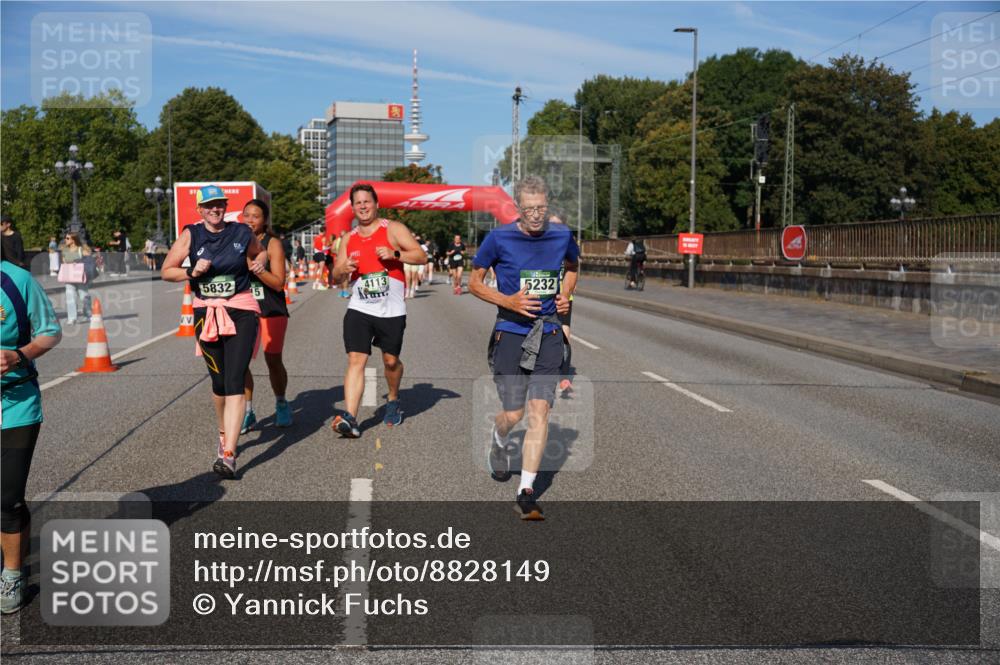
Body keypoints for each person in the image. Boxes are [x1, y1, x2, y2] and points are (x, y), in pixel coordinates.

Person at [469, 175, 579, 521]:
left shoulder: (561, 235)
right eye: (529, 209)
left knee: (540, 411)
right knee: (513, 414)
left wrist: (565, 295)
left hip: (547, 332)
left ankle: (526, 491)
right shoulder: (499, 238)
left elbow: (573, 267)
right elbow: (474, 282)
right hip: (511, 332)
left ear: (548, 205)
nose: (535, 215)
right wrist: (508, 300)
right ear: (517, 207)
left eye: (541, 208)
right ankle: (499, 439)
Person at [161, 185, 265, 479]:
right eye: (209, 205)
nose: (215, 209)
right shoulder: (191, 235)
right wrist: (191, 272)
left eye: (219, 204)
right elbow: (167, 270)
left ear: (225, 206)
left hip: (241, 310)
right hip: (205, 313)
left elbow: (260, 252)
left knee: (234, 380)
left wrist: (261, 261)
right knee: (219, 382)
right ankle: (223, 432)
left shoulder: (241, 232)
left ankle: (229, 454)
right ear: (200, 210)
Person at [330, 183, 425, 437]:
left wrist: (395, 254)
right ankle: (350, 417)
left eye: (367, 201)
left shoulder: (393, 229)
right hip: (359, 307)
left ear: (376, 204)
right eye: (358, 203)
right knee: (356, 359)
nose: (363, 206)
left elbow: (420, 256)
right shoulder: (348, 238)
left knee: (390, 361)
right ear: (352, 208)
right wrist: (342, 269)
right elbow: (335, 274)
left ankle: (393, 399)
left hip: (391, 310)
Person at [1, 251, 61, 613]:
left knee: (7, 497)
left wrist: (19, 355)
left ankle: (12, 572)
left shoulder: (17, 280)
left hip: (15, 405)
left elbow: (50, 333)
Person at [240, 199, 292, 432]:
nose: (250, 220)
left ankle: (281, 402)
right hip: (243, 309)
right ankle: (247, 411)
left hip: (271, 309)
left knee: (273, 359)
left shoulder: (273, 244)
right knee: (240, 362)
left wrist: (254, 267)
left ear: (264, 220)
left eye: (256, 216)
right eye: (247, 215)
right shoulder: (236, 241)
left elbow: (279, 283)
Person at [60, 232, 92, 324]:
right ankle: (72, 318)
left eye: (67, 238)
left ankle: (88, 315)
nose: (65, 240)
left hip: (80, 276)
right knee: (70, 297)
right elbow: (64, 261)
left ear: (73, 240)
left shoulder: (81, 249)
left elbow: (89, 260)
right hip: (69, 276)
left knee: (83, 296)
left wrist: (79, 262)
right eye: (65, 238)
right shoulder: (65, 250)